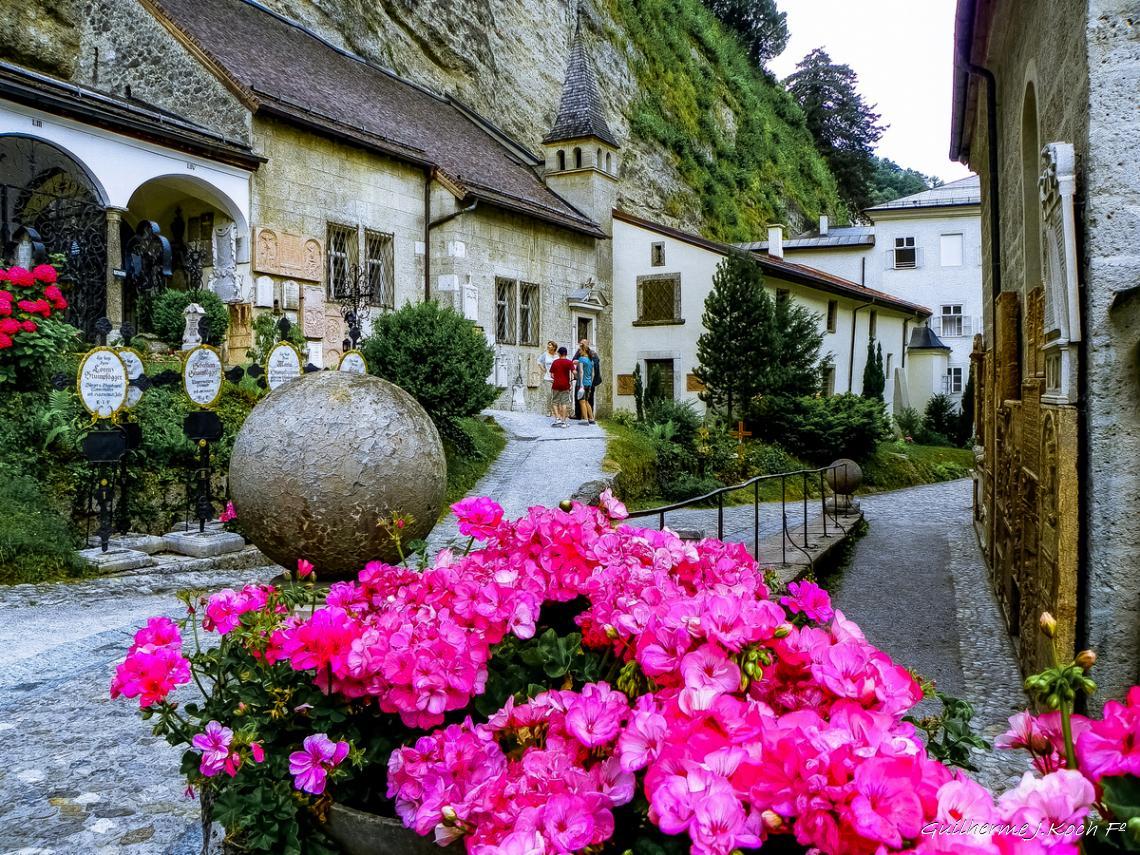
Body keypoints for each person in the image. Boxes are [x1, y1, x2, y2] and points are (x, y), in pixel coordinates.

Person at [549, 346, 576, 428]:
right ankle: (564, 422)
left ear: (559, 353)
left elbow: (552, 375)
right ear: (566, 353)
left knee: (555, 402)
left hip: (556, 384)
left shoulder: (555, 362)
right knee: (564, 403)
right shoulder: (569, 362)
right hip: (565, 385)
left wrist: (557, 377)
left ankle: (557, 418)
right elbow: (574, 372)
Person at [575, 341, 595, 425]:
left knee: (582, 401)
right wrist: (590, 382)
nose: (579, 351)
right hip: (589, 383)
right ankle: (592, 418)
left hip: (582, 383)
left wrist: (581, 385)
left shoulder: (581, 359)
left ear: (583, 350)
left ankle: (585, 420)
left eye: (580, 350)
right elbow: (593, 373)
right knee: (587, 401)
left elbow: (581, 372)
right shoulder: (591, 360)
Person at [537, 341, 558, 418]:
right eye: (548, 345)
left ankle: (555, 411)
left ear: (554, 347)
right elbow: (538, 361)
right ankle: (548, 411)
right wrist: (543, 369)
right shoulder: (545, 354)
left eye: (550, 345)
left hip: (557, 379)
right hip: (547, 378)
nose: (548, 346)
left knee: (556, 396)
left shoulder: (557, 356)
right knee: (549, 395)